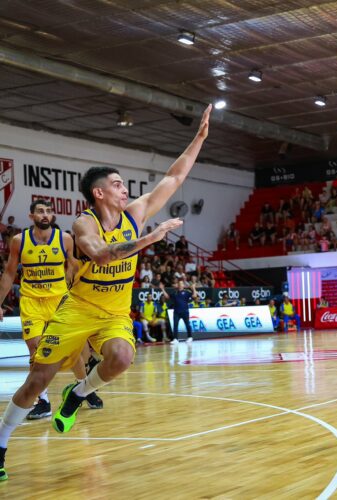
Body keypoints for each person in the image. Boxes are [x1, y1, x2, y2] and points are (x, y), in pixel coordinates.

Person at [0, 105, 211, 480]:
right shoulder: (84, 222)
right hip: (77, 309)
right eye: (116, 184)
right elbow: (98, 253)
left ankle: (78, 395)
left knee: (122, 358)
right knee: (37, 381)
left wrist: (198, 139)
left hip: (114, 313)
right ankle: (1, 442)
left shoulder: (136, 212)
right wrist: (149, 238)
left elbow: (174, 177)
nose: (124, 188)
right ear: (98, 193)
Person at [0, 199, 104, 421]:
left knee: (71, 350)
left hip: (59, 299)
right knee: (36, 352)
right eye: (40, 211)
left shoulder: (65, 239)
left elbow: (74, 265)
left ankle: (84, 388)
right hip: (31, 301)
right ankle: (43, 401)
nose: (45, 215)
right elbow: (9, 273)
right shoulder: (19, 240)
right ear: (31, 217)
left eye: (48, 211)